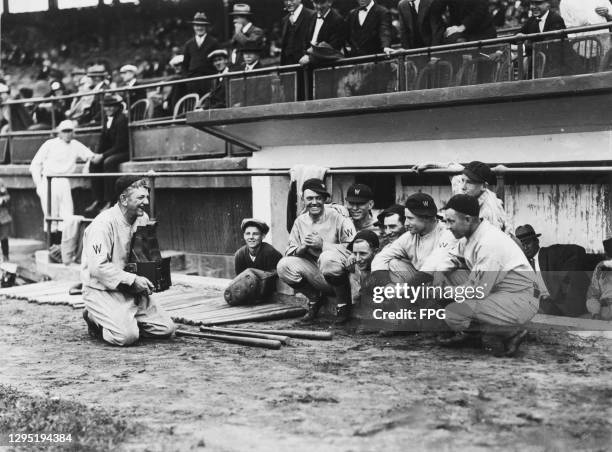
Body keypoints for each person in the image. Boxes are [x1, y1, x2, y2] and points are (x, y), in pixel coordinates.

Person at [433, 194, 539, 357]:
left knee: (453, 313)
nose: (447, 226)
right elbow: (452, 257)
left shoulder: (489, 242)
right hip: (500, 290)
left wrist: (446, 293)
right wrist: (439, 273)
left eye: (451, 221)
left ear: (467, 219)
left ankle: (511, 334)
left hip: (521, 298)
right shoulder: (471, 234)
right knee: (448, 277)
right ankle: (471, 337)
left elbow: (477, 291)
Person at [81, 175, 176, 346]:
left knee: (166, 329)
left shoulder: (142, 218)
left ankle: (124, 320)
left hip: (131, 289)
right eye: (141, 197)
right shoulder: (103, 224)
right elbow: (97, 268)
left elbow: (142, 255)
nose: (146, 202)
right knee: (126, 337)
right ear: (123, 199)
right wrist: (132, 280)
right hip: (102, 289)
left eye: (147, 196)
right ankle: (94, 317)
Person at [277, 178, 356, 322]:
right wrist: (302, 248)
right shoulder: (300, 221)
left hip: (340, 273)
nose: (314, 202)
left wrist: (323, 245)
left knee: (327, 258)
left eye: (318, 198)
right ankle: (315, 299)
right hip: (315, 271)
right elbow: (290, 250)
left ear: (324, 199)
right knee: (283, 266)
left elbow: (352, 248)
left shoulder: (338, 216)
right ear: (303, 199)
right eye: (310, 198)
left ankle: (343, 304)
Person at [30, 120, 95, 243]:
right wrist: (39, 184)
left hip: (64, 182)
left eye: (70, 131)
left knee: (67, 215)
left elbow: (91, 156)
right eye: (64, 131)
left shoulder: (75, 144)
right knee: (51, 216)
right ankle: (51, 247)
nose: (67, 134)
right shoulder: (49, 144)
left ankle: (62, 249)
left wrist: (87, 166)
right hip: (49, 181)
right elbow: (35, 164)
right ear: (59, 132)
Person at [371, 193, 456, 282]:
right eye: (406, 218)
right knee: (394, 263)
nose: (406, 223)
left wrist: (406, 290)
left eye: (410, 218)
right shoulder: (410, 236)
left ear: (426, 218)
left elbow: (431, 266)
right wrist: (386, 284)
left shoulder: (447, 233)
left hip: (444, 284)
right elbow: (380, 257)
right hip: (421, 282)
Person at [515, 224, 589, 317]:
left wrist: (563, 285)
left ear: (536, 241)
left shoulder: (551, 253)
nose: (525, 247)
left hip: (566, 306)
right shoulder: (523, 265)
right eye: (522, 244)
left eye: (528, 242)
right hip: (545, 307)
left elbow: (579, 251)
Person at [85, 94, 129, 215]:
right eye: (106, 106)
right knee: (94, 164)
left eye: (112, 106)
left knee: (109, 162)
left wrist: (103, 156)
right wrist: (97, 155)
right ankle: (99, 199)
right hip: (113, 151)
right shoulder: (107, 119)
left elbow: (121, 145)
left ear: (117, 107)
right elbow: (103, 140)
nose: (108, 109)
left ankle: (111, 200)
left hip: (124, 152)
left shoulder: (121, 119)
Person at [181, 12, 220, 96]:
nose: (199, 28)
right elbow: (184, 65)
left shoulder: (214, 42)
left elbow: (219, 61)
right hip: (192, 81)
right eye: (197, 25)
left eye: (202, 25)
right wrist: (187, 80)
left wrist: (215, 78)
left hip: (209, 80)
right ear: (193, 27)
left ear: (206, 27)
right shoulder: (188, 44)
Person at [430, 0, 497, 44]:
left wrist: (461, 28)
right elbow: (438, 8)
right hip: (463, 34)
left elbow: (479, 11)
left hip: (483, 33)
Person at [301, 0, 347, 64]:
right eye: (316, 3)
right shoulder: (311, 16)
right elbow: (305, 41)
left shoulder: (337, 20)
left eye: (322, 3)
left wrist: (310, 58)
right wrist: (306, 54)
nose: (319, 6)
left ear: (330, 2)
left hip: (327, 66)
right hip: (308, 64)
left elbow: (333, 49)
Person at [281, 0, 316, 65]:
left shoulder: (312, 15)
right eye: (285, 0)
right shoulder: (285, 19)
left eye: (291, 0)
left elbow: (316, 41)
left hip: (306, 65)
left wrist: (309, 56)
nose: (288, 3)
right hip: (288, 66)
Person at [586, 238, 612, 320]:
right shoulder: (601, 266)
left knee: (591, 301)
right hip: (604, 309)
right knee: (591, 301)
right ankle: (596, 315)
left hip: (604, 308)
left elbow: (593, 293)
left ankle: (596, 315)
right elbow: (593, 294)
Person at [0, 182, 12, 262]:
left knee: (4, 237)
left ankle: (5, 257)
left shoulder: (0, 182)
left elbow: (7, 196)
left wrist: (2, 200)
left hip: (2, 216)